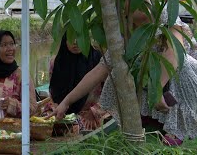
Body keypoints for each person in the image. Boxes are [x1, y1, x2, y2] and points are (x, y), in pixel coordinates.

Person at [49, 7, 197, 146]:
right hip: (147, 79)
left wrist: (156, 89)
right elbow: (99, 71)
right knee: (117, 71)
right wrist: (66, 102)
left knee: (182, 63)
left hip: (180, 78)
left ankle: (179, 128)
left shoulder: (164, 12)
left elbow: (175, 51)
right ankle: (141, 118)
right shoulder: (123, 31)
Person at [47, 34, 108, 130]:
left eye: (79, 37)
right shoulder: (56, 62)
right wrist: (55, 106)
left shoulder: (99, 60)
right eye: (71, 38)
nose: (75, 42)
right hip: (63, 112)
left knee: (77, 129)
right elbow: (53, 92)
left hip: (91, 114)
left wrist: (94, 111)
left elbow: (110, 92)